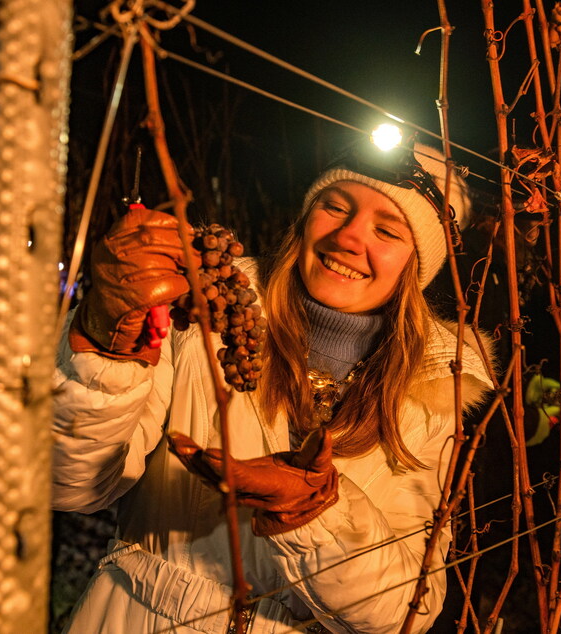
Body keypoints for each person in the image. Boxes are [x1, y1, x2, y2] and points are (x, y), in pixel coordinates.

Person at [51, 142, 494, 633]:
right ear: (305, 218)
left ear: (417, 266)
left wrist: (312, 513)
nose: (349, 237)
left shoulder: (432, 390)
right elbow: (71, 484)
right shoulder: (202, 310)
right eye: (335, 206)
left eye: (387, 230)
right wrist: (106, 347)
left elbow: (407, 612)